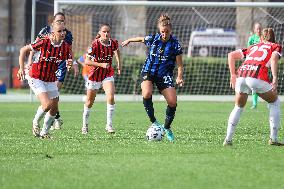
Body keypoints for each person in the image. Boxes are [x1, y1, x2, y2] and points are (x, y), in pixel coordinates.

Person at [122, 14, 184, 142]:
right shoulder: (154, 39)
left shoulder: (175, 44)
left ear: (170, 30)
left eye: (166, 32)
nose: (164, 34)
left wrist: (179, 77)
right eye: (162, 31)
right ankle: (154, 122)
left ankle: (166, 127)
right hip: (149, 71)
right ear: (159, 31)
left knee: (172, 102)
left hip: (164, 75)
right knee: (146, 93)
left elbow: (180, 64)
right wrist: (129, 40)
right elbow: (141, 39)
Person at [223, 28, 283, 146]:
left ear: (261, 38)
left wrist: (233, 75)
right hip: (256, 77)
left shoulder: (253, 47)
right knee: (274, 102)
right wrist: (275, 78)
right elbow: (274, 59)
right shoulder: (275, 46)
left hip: (242, 75)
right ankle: (274, 139)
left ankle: (228, 140)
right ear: (274, 38)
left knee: (238, 106)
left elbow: (231, 55)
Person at [17, 22, 72, 138]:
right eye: (59, 31)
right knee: (47, 105)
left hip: (50, 78)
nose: (62, 33)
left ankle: (44, 132)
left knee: (54, 107)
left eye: (64, 30)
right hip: (36, 76)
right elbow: (23, 50)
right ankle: (35, 122)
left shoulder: (65, 46)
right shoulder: (44, 42)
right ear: (53, 33)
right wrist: (21, 68)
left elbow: (69, 58)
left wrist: (71, 64)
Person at [27, 12, 78, 130]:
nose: (61, 24)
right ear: (53, 23)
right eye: (58, 21)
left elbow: (69, 51)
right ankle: (52, 117)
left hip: (59, 64)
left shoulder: (68, 35)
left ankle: (49, 124)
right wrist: (29, 61)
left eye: (63, 21)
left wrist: (72, 63)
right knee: (49, 102)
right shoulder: (45, 33)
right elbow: (32, 47)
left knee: (55, 99)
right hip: (41, 68)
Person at [82, 23, 121, 135]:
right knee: (89, 102)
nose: (106, 33)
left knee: (111, 96)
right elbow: (87, 61)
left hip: (107, 74)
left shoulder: (113, 43)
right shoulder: (94, 45)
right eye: (104, 31)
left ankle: (109, 125)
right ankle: (85, 125)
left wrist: (119, 64)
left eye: (108, 31)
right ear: (99, 33)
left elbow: (117, 51)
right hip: (94, 75)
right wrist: (101, 64)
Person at [247, 22, 262, 109]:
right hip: (253, 63)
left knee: (264, 83)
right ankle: (255, 103)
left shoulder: (263, 38)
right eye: (257, 28)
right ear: (254, 29)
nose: (259, 30)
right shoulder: (251, 38)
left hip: (262, 64)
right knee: (254, 84)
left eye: (260, 28)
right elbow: (248, 50)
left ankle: (270, 101)